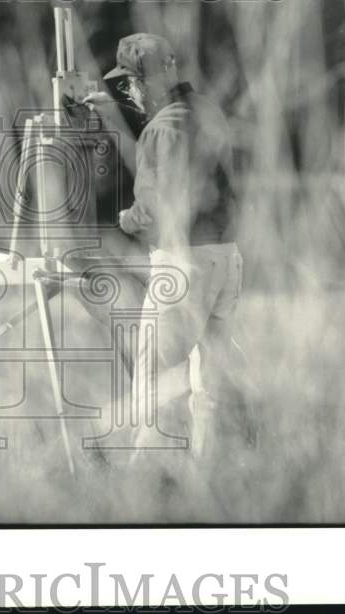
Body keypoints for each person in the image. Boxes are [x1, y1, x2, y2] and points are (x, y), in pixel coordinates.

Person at [84, 32, 242, 458]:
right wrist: (118, 120)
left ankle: (141, 480)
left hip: (183, 263)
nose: (129, 91)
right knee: (205, 383)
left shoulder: (161, 128)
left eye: (131, 84)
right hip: (226, 258)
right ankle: (202, 473)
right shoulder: (206, 110)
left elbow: (154, 210)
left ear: (147, 80)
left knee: (154, 379)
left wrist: (125, 220)